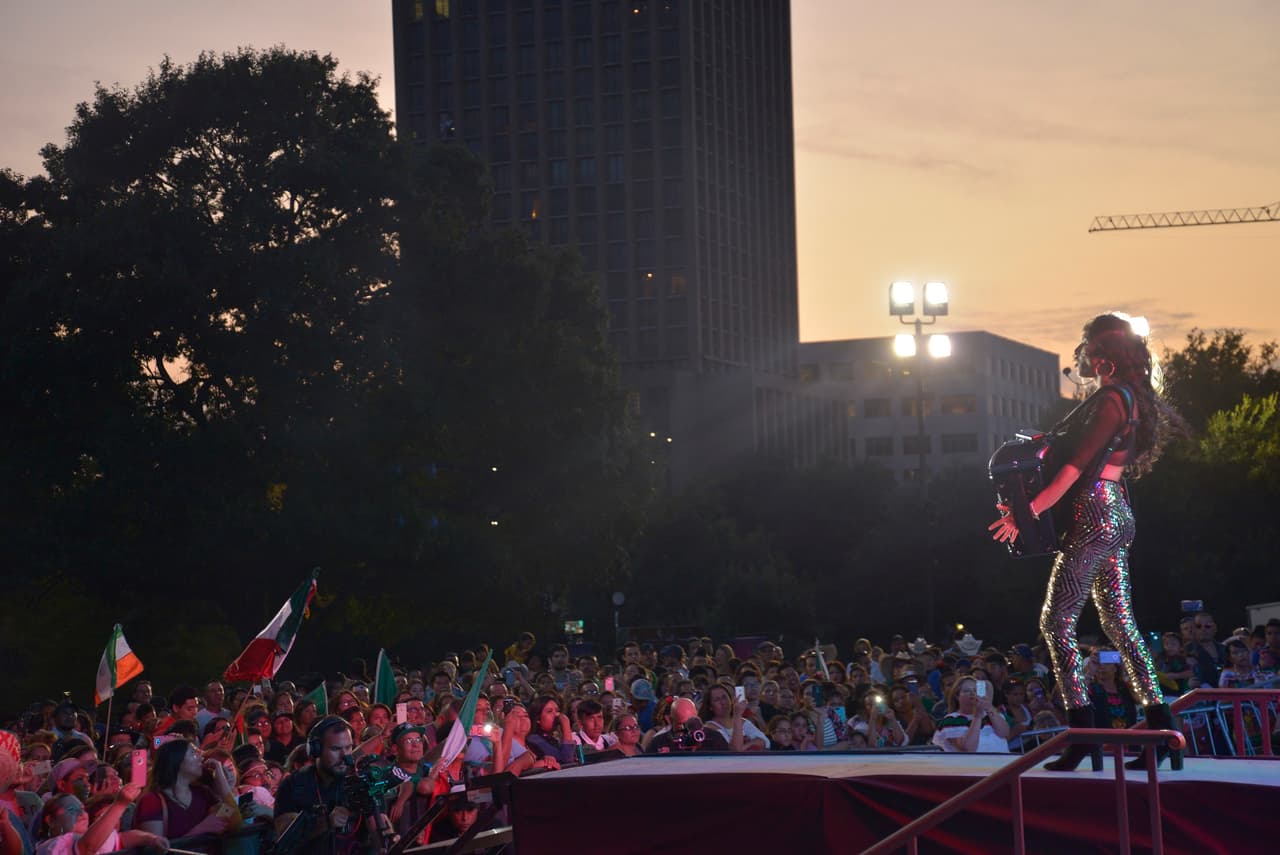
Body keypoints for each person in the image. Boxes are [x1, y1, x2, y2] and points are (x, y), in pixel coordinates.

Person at [990, 313, 1183, 772]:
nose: (1089, 363)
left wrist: (1027, 512)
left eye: (1093, 356)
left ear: (1107, 359)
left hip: (1095, 514)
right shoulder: (1134, 400)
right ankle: (1163, 734)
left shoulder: (1112, 400)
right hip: (1116, 508)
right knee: (1121, 624)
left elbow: (1074, 468)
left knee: (1057, 623)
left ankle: (1083, 735)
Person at [273, 716, 380, 855]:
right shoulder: (294, 784)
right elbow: (284, 835)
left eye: (348, 748)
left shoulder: (361, 780)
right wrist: (326, 822)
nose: (345, 756)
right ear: (316, 750)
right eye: (335, 749)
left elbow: (379, 827)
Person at [135, 739, 239, 839]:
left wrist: (220, 778)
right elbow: (155, 850)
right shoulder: (153, 801)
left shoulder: (202, 793)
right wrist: (201, 830)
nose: (201, 758)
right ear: (176, 760)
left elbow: (233, 820)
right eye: (194, 753)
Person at [932, 677, 1011, 753]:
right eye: (967, 690)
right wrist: (977, 716)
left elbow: (1004, 733)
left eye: (976, 690)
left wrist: (988, 707)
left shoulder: (991, 714)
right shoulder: (951, 720)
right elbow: (968, 749)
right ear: (957, 696)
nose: (973, 693)